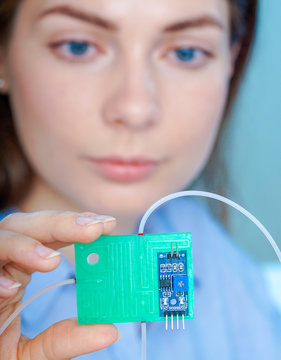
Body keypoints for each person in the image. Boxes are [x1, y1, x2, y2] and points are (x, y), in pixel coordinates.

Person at [0, 0, 280, 359]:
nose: (135, 110)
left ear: (232, 57)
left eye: (185, 52)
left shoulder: (214, 254)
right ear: (4, 54)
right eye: (78, 46)